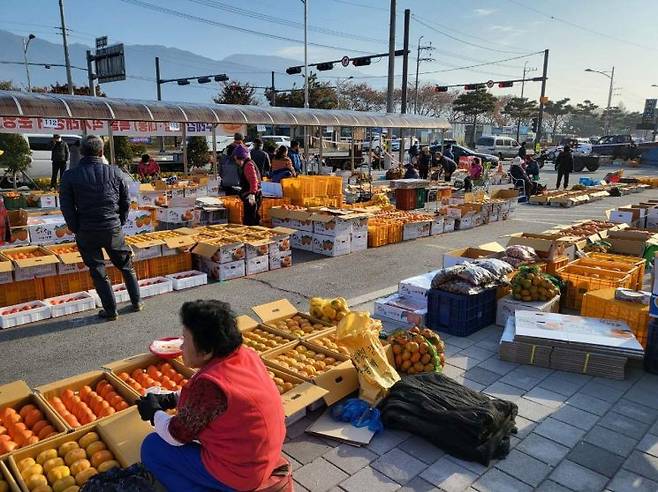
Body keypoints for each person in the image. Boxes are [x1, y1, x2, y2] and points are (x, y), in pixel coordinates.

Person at [139, 300, 286, 492]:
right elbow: (215, 400)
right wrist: (172, 398)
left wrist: (154, 412)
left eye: (185, 340)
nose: (181, 347)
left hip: (243, 473)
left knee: (152, 447)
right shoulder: (245, 355)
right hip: (264, 456)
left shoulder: (210, 386)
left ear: (207, 350)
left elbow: (176, 435)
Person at [59, 135, 142, 320]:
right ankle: (136, 301)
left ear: (81, 153)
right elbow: (125, 201)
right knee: (126, 265)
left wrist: (75, 227)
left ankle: (111, 311)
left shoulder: (70, 176)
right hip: (112, 227)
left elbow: (66, 205)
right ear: (102, 151)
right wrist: (119, 221)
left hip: (86, 229)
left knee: (98, 270)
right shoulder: (115, 172)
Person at [234, 145, 262, 225]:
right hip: (252, 194)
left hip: (252, 196)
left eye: (236, 159)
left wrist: (252, 194)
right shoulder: (248, 163)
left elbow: (254, 180)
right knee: (253, 217)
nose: (236, 162)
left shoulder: (248, 165)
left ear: (239, 158)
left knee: (250, 219)